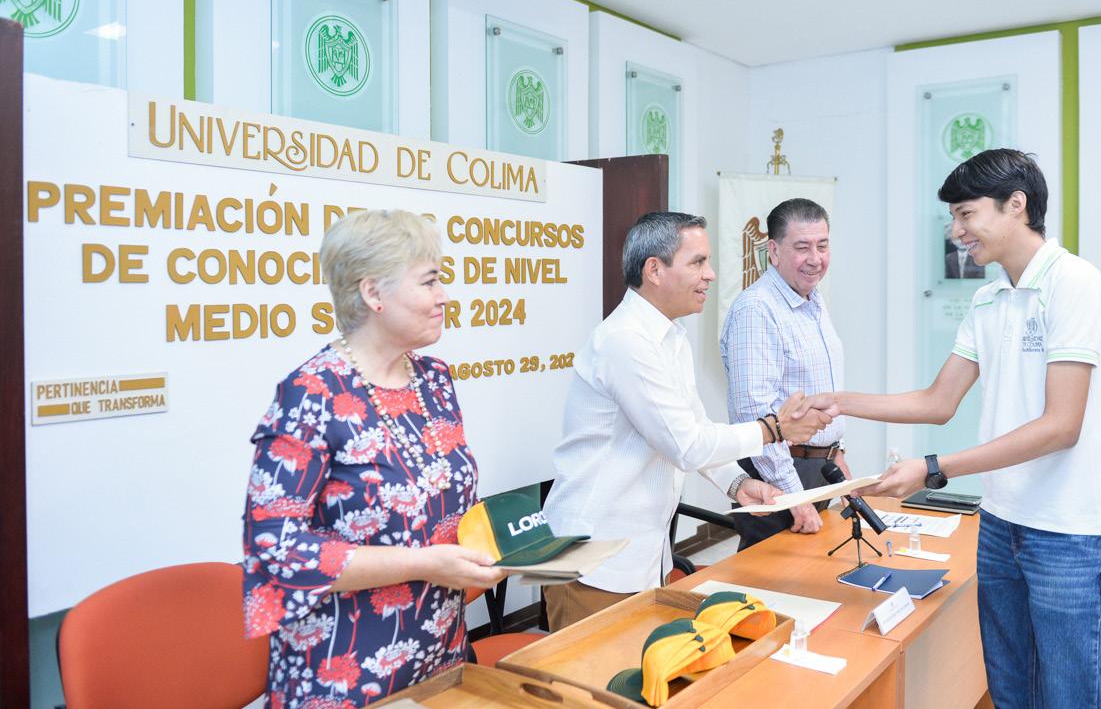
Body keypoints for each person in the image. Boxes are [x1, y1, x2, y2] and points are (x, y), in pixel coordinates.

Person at [837, 150, 1101, 709]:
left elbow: (1061, 426)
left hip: (1073, 531)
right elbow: (937, 401)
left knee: (1067, 697)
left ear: (1016, 205)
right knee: (1009, 691)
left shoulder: (1074, 284)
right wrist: (838, 403)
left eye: (966, 214)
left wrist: (933, 468)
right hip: (1003, 522)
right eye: (953, 218)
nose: (957, 232)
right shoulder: (989, 298)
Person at [241, 210, 505, 708]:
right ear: (373, 294)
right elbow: (277, 548)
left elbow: (442, 503)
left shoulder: (434, 379)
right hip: (344, 671)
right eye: (429, 281)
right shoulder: (311, 393)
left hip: (441, 656)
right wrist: (422, 564)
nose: (444, 296)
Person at [540, 212, 838, 631]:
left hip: (640, 556)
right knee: (594, 675)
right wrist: (774, 429)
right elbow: (687, 445)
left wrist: (737, 483)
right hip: (592, 561)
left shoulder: (671, 336)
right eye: (698, 262)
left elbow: (695, 427)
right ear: (654, 270)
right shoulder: (626, 341)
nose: (710, 275)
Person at [720, 198, 852, 548]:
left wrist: (836, 454)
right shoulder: (757, 309)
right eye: (802, 247)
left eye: (822, 246)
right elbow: (754, 413)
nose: (815, 258)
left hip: (816, 468)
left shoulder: (812, 298)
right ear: (774, 251)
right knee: (773, 578)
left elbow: (821, 388)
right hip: (776, 476)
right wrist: (795, 496)